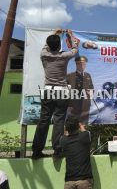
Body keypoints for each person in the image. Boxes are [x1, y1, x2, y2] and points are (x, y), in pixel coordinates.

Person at [32, 29, 79, 159]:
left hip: (47, 90)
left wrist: (54, 32)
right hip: (61, 91)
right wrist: (70, 35)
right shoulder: (64, 56)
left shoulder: (44, 55)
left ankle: (36, 151)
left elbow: (46, 45)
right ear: (59, 46)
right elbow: (75, 50)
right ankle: (57, 151)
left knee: (44, 120)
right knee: (59, 121)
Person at [60, 116, 93, 189]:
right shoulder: (85, 136)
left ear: (67, 128)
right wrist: (81, 126)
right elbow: (85, 131)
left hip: (69, 182)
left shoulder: (63, 141)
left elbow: (64, 135)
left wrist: (66, 128)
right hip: (84, 181)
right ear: (78, 126)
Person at [67, 56, 94, 123]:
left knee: (84, 124)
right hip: (74, 105)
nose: (82, 66)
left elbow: (92, 87)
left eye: (84, 64)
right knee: (73, 124)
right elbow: (66, 92)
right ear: (76, 64)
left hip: (86, 104)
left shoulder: (88, 75)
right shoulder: (70, 76)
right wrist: (69, 105)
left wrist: (91, 92)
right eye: (80, 64)